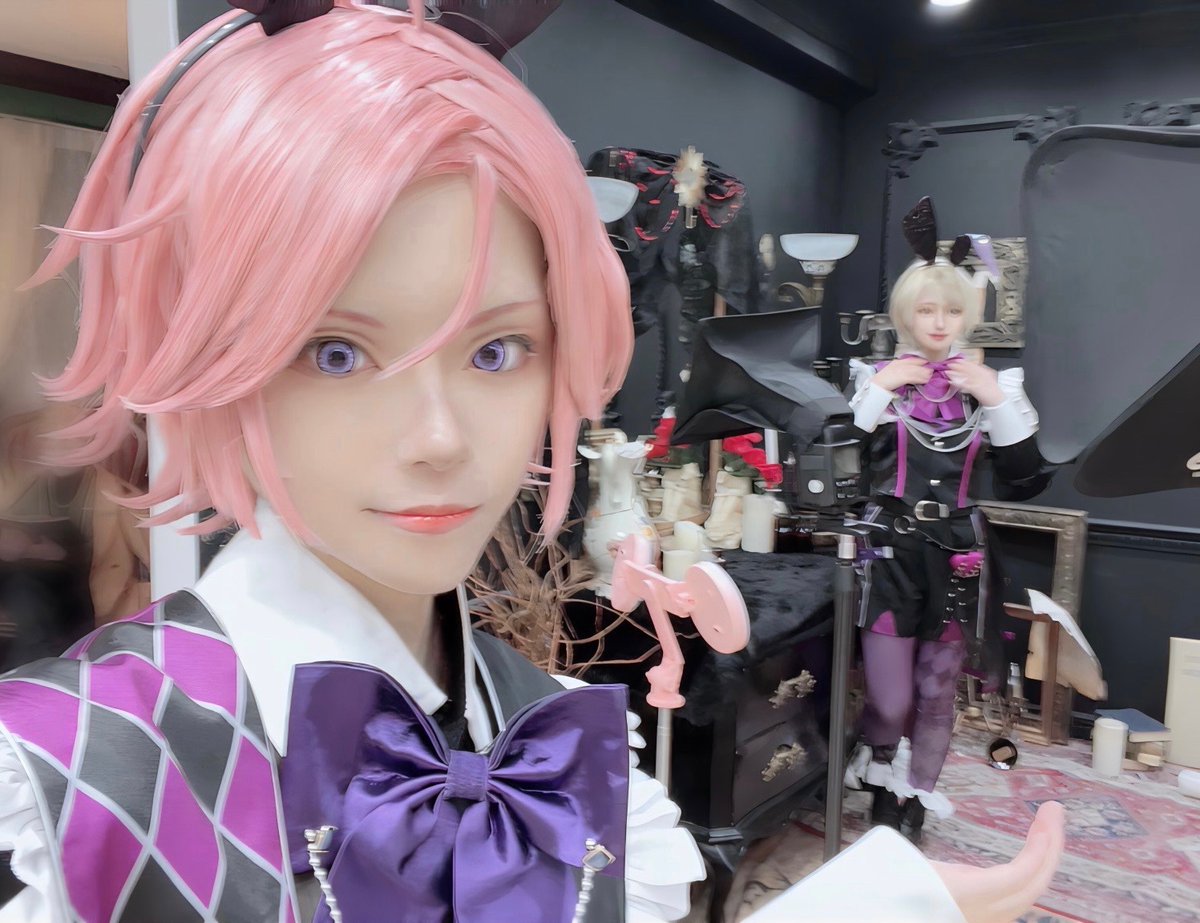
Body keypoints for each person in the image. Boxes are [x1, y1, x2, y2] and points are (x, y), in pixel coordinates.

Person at [0, 7, 1060, 922]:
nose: (440, 438)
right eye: (335, 353)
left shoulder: (548, 721)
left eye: (496, 350)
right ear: (214, 362)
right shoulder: (66, 776)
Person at [845, 198, 1050, 844]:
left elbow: (1026, 476)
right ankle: (877, 766)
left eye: (952, 311)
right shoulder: (875, 379)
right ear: (906, 314)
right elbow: (837, 465)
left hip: (959, 552)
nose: (939, 323)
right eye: (927, 310)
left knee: (937, 693)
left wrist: (994, 398)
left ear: (968, 315)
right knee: (891, 698)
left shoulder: (993, 386)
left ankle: (907, 798)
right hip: (889, 551)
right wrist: (881, 390)